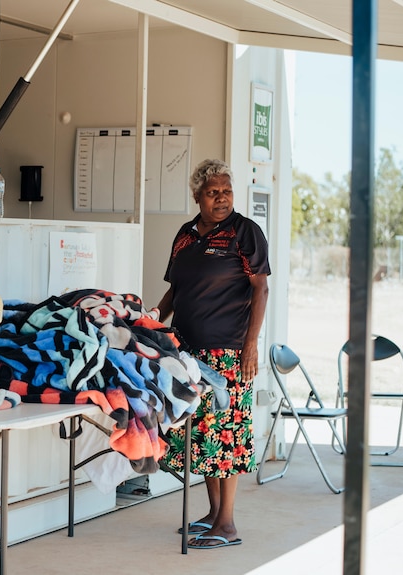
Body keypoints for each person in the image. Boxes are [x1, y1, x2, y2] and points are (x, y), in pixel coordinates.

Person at [152, 158, 270, 549]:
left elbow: (260, 289)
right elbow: (175, 291)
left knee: (227, 434)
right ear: (197, 196)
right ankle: (213, 514)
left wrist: (251, 345)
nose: (221, 198)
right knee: (203, 434)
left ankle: (228, 524)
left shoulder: (244, 232)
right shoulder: (185, 235)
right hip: (187, 352)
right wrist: (153, 318)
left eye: (226, 191)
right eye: (212, 192)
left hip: (229, 352)